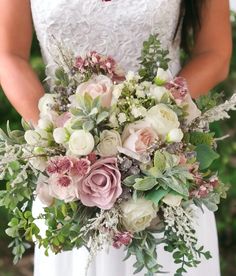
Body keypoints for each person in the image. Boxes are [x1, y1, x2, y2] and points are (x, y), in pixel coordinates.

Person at [0, 0, 232, 275]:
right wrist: (56, 139)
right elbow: (8, 55)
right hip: (68, 174)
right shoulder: (63, 156)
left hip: (165, 167)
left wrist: (154, 121)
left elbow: (215, 53)